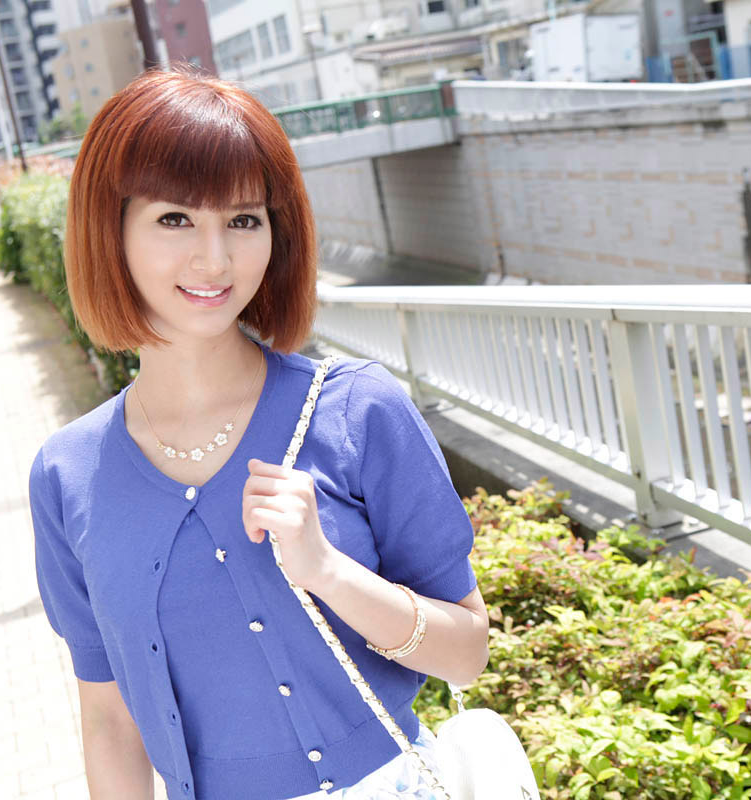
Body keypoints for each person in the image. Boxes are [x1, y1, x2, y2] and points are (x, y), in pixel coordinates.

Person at [28, 67, 490, 800]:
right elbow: (110, 720)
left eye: (244, 220)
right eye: (174, 219)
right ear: (109, 232)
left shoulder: (357, 410)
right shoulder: (67, 474)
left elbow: (466, 655)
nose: (215, 259)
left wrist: (328, 571)